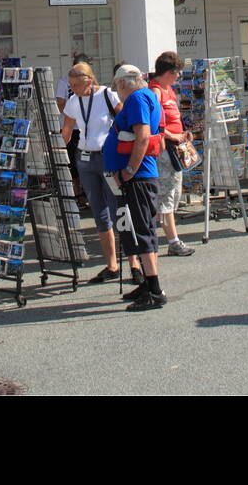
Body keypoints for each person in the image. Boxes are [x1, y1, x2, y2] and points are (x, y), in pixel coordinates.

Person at [103, 64, 166, 310]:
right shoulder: (147, 95)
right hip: (135, 177)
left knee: (142, 230)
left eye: (117, 87)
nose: (117, 92)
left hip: (137, 177)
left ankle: (155, 289)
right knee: (135, 228)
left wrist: (129, 170)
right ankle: (148, 285)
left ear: (122, 84)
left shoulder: (138, 97)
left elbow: (142, 136)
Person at [60, 62, 126, 284]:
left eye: (76, 84)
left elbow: (125, 122)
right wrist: (55, 154)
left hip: (108, 158)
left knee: (119, 210)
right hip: (85, 160)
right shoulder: (73, 100)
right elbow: (67, 131)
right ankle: (112, 265)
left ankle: (134, 263)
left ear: (88, 81)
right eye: (71, 85)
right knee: (99, 213)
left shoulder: (108, 95)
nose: (73, 88)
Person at [149, 51, 195, 257]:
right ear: (168, 72)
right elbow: (153, 125)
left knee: (173, 193)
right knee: (166, 194)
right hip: (164, 149)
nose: (178, 76)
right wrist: (172, 136)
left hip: (175, 148)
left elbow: (174, 117)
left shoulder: (169, 90)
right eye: (176, 72)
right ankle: (173, 241)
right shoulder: (155, 91)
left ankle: (164, 237)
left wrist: (183, 133)